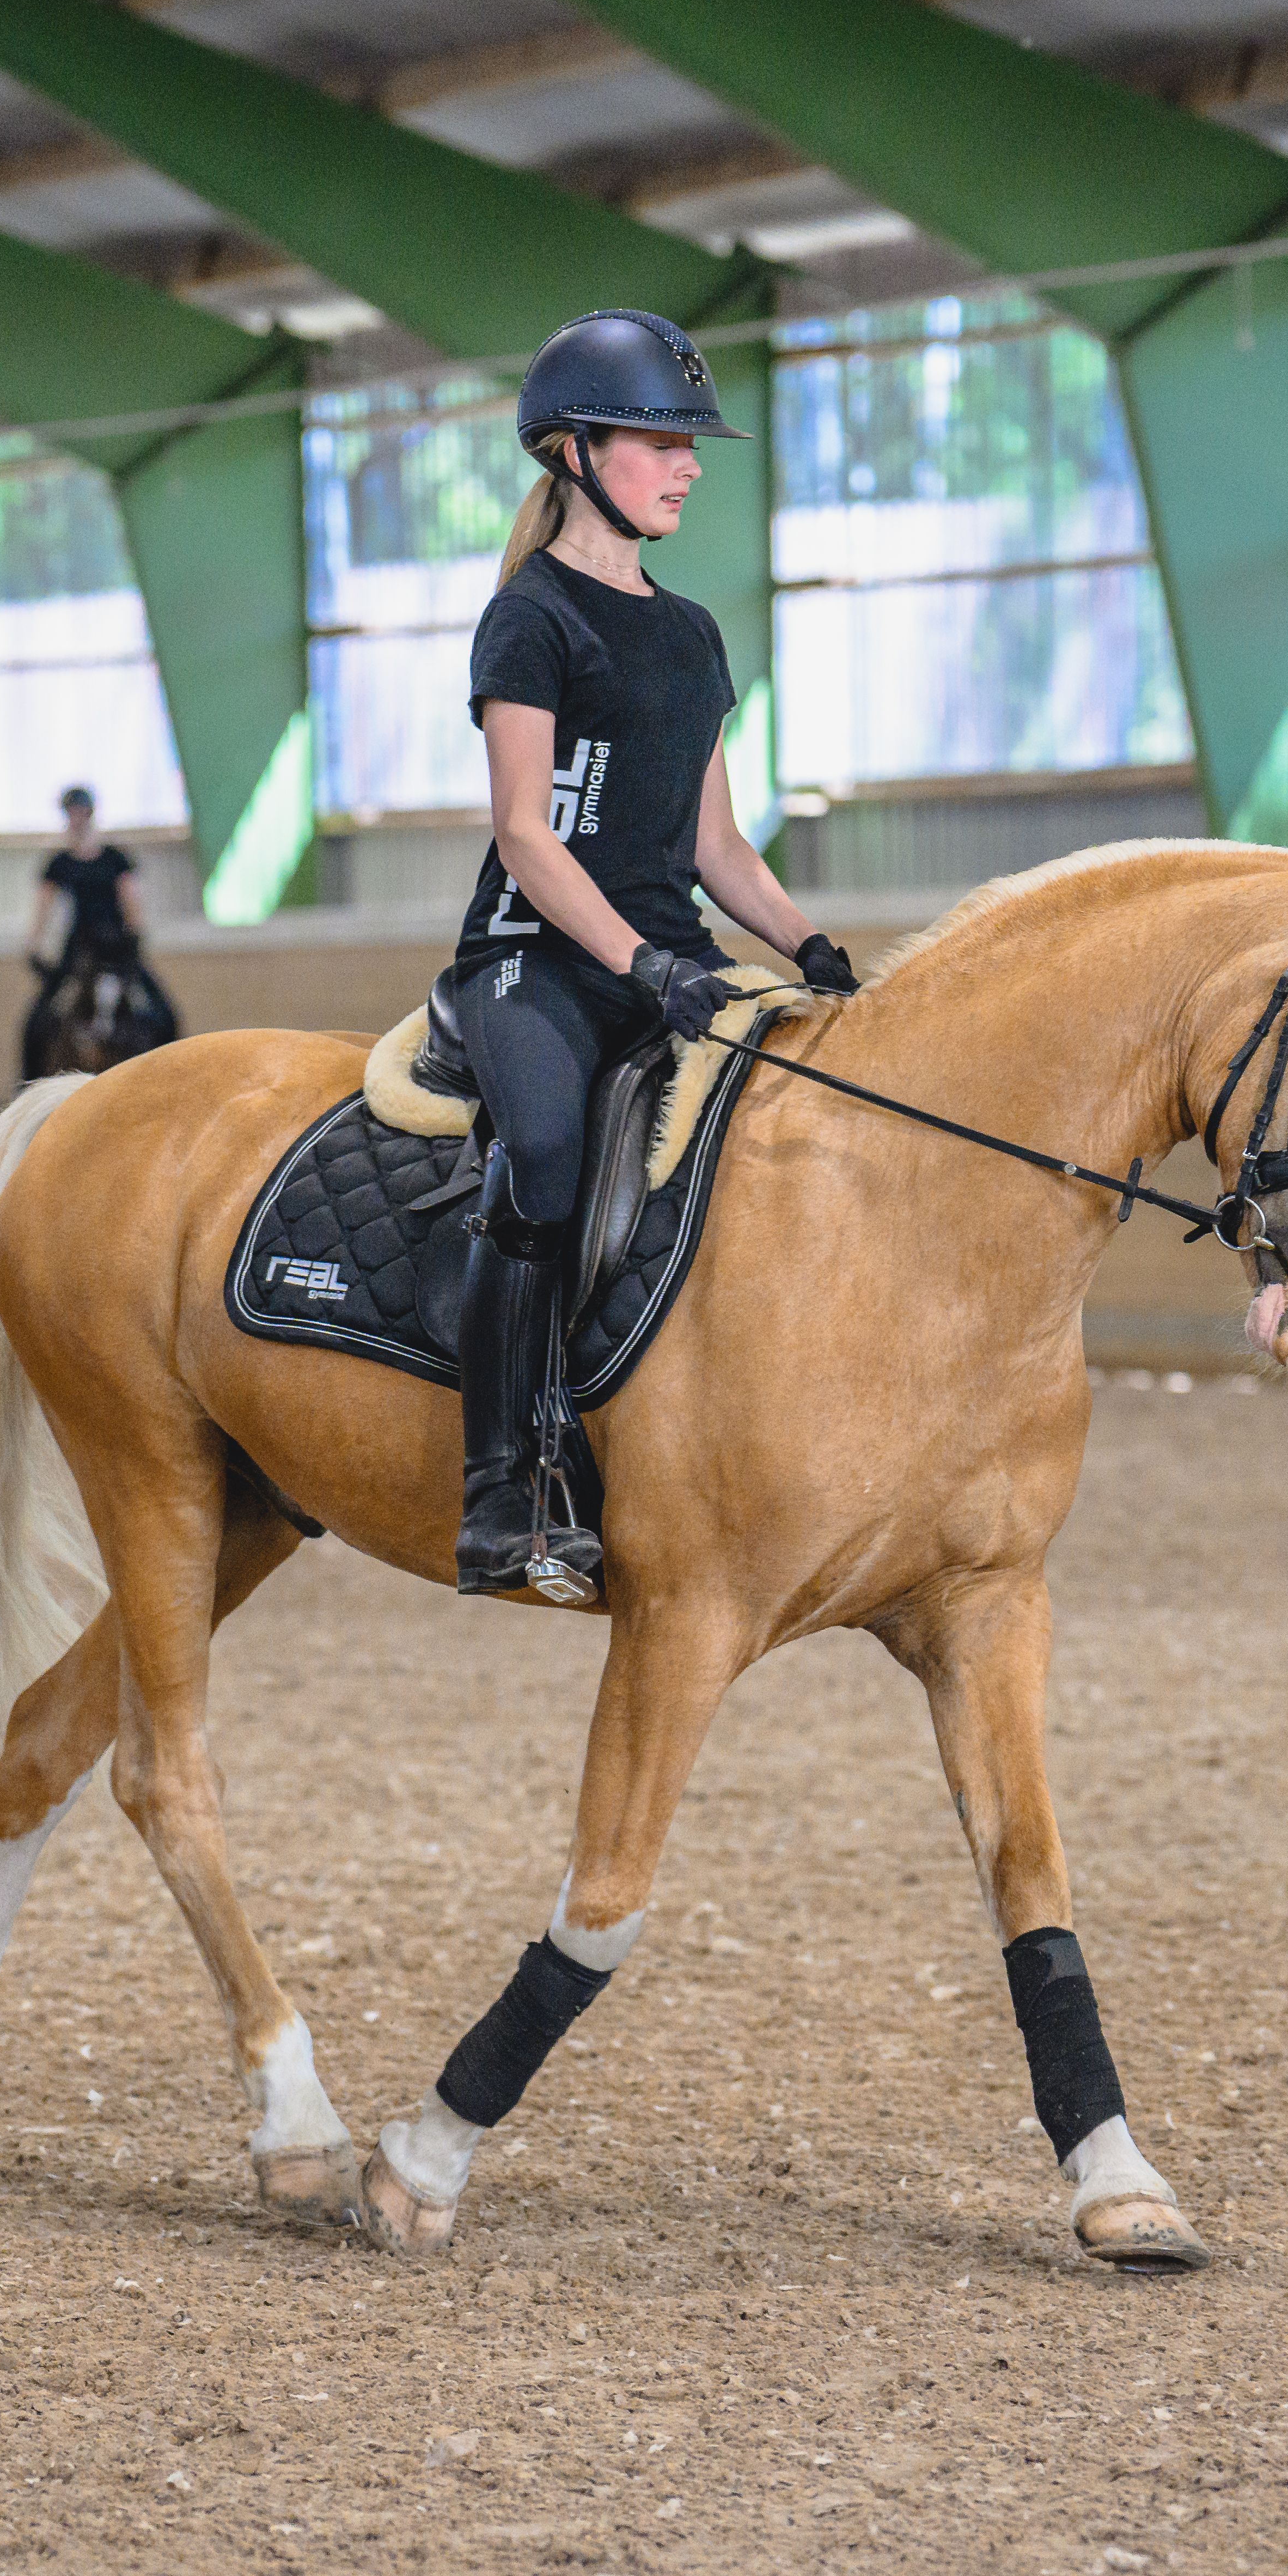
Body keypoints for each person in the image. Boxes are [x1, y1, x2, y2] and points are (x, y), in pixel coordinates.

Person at [444, 307, 859, 1605]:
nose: (687, 466)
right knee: (550, 1161)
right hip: (537, 963)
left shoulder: (691, 636)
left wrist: (807, 943)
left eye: (692, 446)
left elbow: (718, 845)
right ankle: (502, 1495)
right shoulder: (531, 619)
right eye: (659, 441)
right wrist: (641, 964)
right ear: (573, 454)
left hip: (667, 961)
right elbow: (524, 834)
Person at [24, 786, 177, 1043]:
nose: (76, 818)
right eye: (71, 813)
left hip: (115, 943)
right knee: (38, 1020)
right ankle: (31, 1077)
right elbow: (44, 907)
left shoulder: (115, 859)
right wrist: (33, 946)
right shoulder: (60, 863)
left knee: (162, 1011)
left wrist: (134, 935)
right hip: (79, 945)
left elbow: (131, 900)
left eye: (80, 812)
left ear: (90, 814)